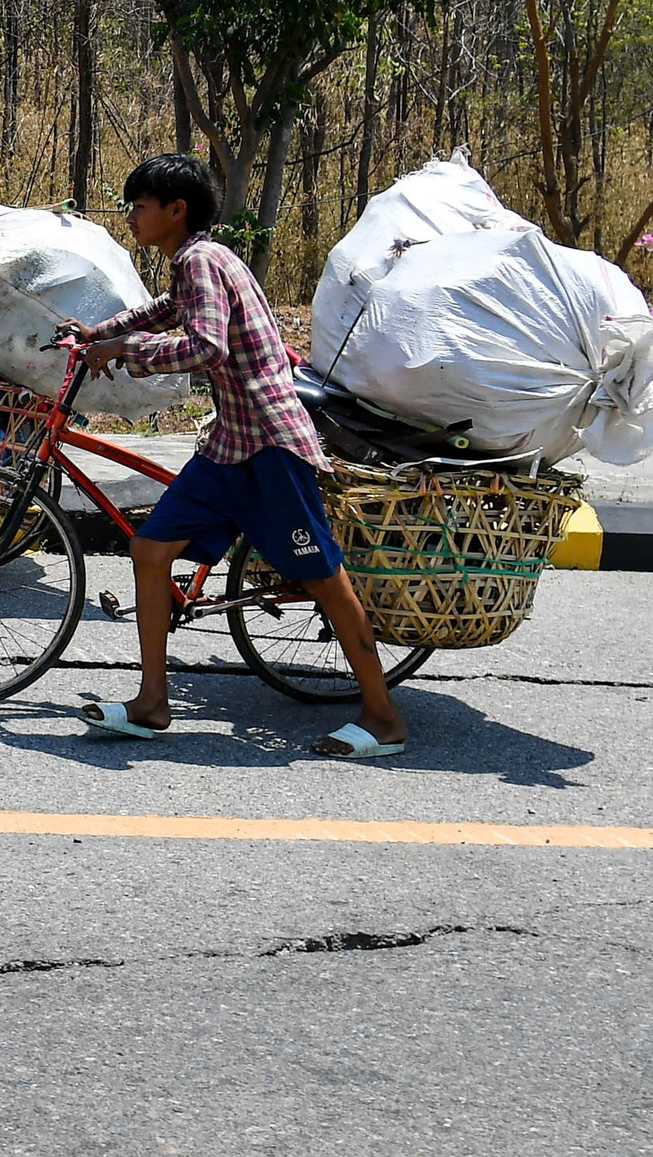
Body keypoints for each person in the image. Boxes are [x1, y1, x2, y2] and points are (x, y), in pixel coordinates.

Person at [62, 154, 409, 759]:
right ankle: (151, 701)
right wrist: (101, 332)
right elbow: (165, 312)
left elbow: (205, 346)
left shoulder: (200, 260)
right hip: (231, 445)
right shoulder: (198, 259)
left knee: (323, 578)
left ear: (177, 210)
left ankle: (382, 717)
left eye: (139, 206)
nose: (131, 217)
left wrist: (125, 348)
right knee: (150, 549)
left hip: (270, 445)